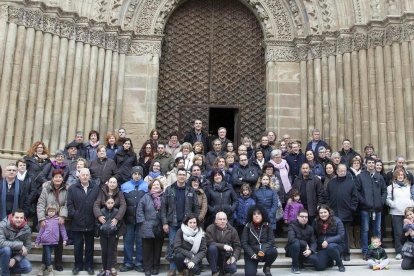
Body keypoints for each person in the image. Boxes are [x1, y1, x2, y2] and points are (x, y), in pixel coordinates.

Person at [162, 168, 199, 276]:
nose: (182, 176)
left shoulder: (190, 190)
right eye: (180, 174)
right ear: (177, 176)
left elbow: (196, 207)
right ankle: (172, 268)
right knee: (173, 245)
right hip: (173, 223)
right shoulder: (169, 189)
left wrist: (194, 222)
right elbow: (163, 207)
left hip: (187, 225)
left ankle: (185, 268)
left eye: (184, 175)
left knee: (187, 246)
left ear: (186, 177)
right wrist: (164, 222)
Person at [67, 168, 100, 275]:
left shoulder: (95, 188)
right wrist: (75, 215)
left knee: (90, 247)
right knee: (77, 246)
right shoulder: (72, 188)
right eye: (83, 175)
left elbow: (98, 203)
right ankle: (78, 266)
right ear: (79, 176)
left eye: (87, 175)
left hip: (90, 221)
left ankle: (89, 266)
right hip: (77, 222)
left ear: (89, 176)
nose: (85, 177)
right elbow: (70, 205)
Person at [36, 169, 68, 272]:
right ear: (52, 178)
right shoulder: (46, 189)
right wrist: (41, 218)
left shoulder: (67, 189)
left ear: (62, 178)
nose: (58, 179)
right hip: (47, 219)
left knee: (59, 243)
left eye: (60, 177)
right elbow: (41, 203)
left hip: (59, 219)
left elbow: (67, 203)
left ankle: (58, 263)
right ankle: (44, 263)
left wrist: (62, 216)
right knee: (46, 242)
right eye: (56, 177)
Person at [93, 177, 127, 275]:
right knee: (104, 249)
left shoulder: (120, 193)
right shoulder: (102, 192)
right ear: (108, 183)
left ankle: (112, 266)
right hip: (104, 222)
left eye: (114, 182)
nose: (112, 184)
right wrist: (99, 216)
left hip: (114, 222)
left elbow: (123, 205)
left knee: (114, 247)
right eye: (111, 182)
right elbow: (96, 204)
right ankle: (104, 267)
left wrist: (117, 218)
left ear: (117, 184)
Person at [325, 164, 358, 261]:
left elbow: (355, 198)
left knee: (345, 235)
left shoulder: (351, 183)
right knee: (334, 235)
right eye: (340, 170)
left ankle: (346, 253)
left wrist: (352, 208)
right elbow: (327, 197)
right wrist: (328, 209)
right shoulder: (331, 183)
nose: (342, 172)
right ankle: (337, 253)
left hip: (346, 213)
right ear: (337, 171)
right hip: (333, 214)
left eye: (344, 170)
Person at [356, 156, 387, 259]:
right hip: (365, 209)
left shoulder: (379, 177)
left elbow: (384, 191)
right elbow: (357, 192)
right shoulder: (361, 176)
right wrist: (364, 202)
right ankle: (365, 251)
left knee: (377, 230)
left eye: (373, 163)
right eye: (369, 163)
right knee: (365, 230)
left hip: (377, 209)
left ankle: (377, 251)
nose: (371, 164)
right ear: (365, 164)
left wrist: (381, 202)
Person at [120, 166, 148, 273]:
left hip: (141, 220)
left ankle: (139, 263)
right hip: (128, 220)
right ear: (132, 174)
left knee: (140, 242)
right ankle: (127, 262)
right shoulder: (124, 186)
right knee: (128, 242)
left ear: (141, 175)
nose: (137, 176)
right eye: (135, 174)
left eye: (139, 174)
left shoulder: (146, 186)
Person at [137, 178, 164, 276]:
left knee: (157, 249)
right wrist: (143, 222)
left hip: (160, 226)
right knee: (147, 249)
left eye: (158, 185)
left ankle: (156, 267)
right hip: (147, 225)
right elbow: (140, 210)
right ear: (150, 187)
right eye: (154, 185)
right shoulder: (145, 197)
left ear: (161, 187)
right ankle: (147, 268)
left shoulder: (164, 197)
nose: (156, 186)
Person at [241, 205, 278, 276]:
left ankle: (266, 267)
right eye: (254, 214)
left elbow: (271, 240)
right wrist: (252, 254)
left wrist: (262, 250)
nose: (256, 216)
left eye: (259, 214)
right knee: (250, 274)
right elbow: (244, 243)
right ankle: (254, 268)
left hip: (264, 252)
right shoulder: (247, 226)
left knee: (273, 251)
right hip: (252, 254)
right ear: (251, 216)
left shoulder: (268, 225)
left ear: (263, 215)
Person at [386, 168, 414, 260]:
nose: (400, 176)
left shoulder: (409, 186)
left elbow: (412, 196)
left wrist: (411, 204)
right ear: (395, 176)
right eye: (399, 175)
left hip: (408, 213)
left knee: (409, 232)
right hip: (396, 212)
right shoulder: (391, 187)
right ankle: (399, 252)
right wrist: (393, 204)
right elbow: (387, 199)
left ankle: (408, 251)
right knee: (398, 233)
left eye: (402, 175)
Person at [35, 203, 68, 276]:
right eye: (49, 211)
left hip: (54, 241)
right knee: (48, 255)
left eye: (53, 211)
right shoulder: (45, 221)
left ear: (56, 211)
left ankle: (42, 268)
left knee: (45, 256)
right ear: (47, 211)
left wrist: (65, 239)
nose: (51, 213)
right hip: (45, 241)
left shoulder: (58, 220)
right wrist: (37, 241)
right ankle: (50, 270)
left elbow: (63, 230)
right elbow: (41, 231)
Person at [312, 205, 346, 272]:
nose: (323, 214)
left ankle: (339, 263)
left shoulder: (337, 220)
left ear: (329, 212)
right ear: (318, 214)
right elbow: (313, 235)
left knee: (330, 246)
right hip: (322, 247)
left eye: (325, 212)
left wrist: (328, 241)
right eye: (321, 213)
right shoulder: (316, 221)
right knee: (319, 267)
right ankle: (329, 260)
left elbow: (341, 235)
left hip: (336, 246)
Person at [206, 212, 241, 276]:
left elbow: (237, 246)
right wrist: (223, 246)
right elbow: (209, 243)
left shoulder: (232, 230)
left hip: (227, 256)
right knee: (212, 248)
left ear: (227, 220)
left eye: (224, 219)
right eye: (220, 219)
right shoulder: (210, 229)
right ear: (216, 221)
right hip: (214, 256)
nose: (222, 221)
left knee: (232, 269)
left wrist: (234, 257)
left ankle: (225, 270)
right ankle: (214, 272)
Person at [25, 141, 51, 227]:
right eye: (38, 147)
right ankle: (25, 225)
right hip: (30, 185)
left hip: (42, 186)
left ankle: (37, 226)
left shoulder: (47, 160)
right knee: (28, 203)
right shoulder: (28, 159)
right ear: (35, 148)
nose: (40, 149)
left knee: (40, 206)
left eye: (41, 147)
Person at [0, 209, 32, 276]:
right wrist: (20, 245)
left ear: (24, 218)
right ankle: (4, 273)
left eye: (21, 218)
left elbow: (28, 247)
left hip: (15, 254)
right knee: (6, 250)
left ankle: (4, 268)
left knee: (28, 267)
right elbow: (1, 242)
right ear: (12, 217)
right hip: (2, 254)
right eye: (17, 217)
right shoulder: (2, 225)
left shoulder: (27, 229)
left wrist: (15, 259)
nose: (19, 219)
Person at [96, 196, 122, 276]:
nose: (110, 205)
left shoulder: (117, 211)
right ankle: (104, 268)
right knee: (104, 252)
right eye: (108, 203)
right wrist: (100, 227)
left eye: (112, 203)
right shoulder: (102, 211)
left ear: (114, 203)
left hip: (112, 235)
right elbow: (96, 222)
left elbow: (120, 222)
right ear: (105, 203)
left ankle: (108, 269)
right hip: (103, 234)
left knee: (110, 252)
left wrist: (116, 228)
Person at [286, 208, 318, 274]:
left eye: (306, 217)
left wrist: (311, 250)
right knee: (296, 243)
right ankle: (295, 266)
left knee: (316, 260)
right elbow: (291, 239)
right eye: (302, 216)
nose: (304, 218)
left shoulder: (310, 228)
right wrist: (305, 243)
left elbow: (313, 242)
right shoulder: (292, 226)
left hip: (304, 251)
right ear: (297, 217)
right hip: (292, 249)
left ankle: (301, 262)